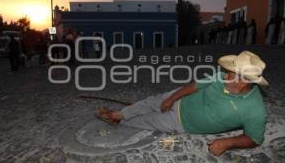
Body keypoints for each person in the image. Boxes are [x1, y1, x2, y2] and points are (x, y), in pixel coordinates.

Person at [95, 51, 268, 156]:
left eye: (231, 74)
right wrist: (171, 98)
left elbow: (255, 139)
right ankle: (121, 114)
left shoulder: (255, 110)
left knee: (148, 120)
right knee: (149, 102)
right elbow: (195, 86)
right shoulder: (222, 76)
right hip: (180, 100)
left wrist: (227, 143)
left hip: (181, 122)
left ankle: (121, 121)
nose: (225, 75)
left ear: (245, 80)